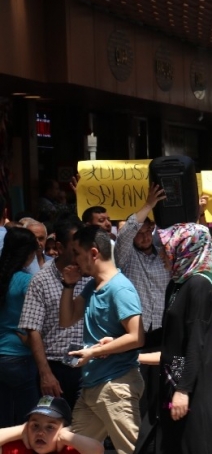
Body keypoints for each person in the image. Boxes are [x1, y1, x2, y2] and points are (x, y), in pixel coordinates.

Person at [135, 223, 212, 454]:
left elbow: (195, 344)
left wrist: (183, 390)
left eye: (167, 248)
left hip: (195, 389)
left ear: (185, 249)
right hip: (173, 384)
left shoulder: (199, 286)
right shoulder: (176, 284)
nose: (162, 254)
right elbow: (173, 343)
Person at [58, 226, 145, 454]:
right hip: (93, 386)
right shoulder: (92, 285)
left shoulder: (120, 288)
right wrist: (68, 284)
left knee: (132, 449)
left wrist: (92, 353)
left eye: (77, 253)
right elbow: (67, 319)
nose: (73, 259)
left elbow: (137, 337)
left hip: (115, 386)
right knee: (74, 448)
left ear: (94, 253)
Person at [114, 185, 171, 435]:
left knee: (167, 382)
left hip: (163, 328)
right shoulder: (125, 257)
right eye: (140, 230)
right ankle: (138, 435)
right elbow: (126, 236)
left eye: (149, 229)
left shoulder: (166, 256)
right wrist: (147, 205)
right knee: (138, 388)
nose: (144, 235)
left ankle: (164, 430)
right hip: (135, 332)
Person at [19, 219, 88, 409]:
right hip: (56, 370)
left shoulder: (92, 276)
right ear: (59, 247)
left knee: (88, 432)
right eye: (74, 249)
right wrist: (46, 374)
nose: (80, 255)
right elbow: (33, 330)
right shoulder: (40, 280)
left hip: (90, 367)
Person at [0, 228, 40, 428]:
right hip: (20, 355)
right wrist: (29, 340)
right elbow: (37, 321)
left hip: (2, 355)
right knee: (29, 421)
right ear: (29, 254)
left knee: (4, 420)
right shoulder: (26, 281)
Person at [0, 395, 104, 454]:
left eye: (50, 427)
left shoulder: (69, 450)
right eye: (35, 425)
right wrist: (21, 430)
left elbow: (96, 450)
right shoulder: (19, 448)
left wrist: (65, 436)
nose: (40, 432)